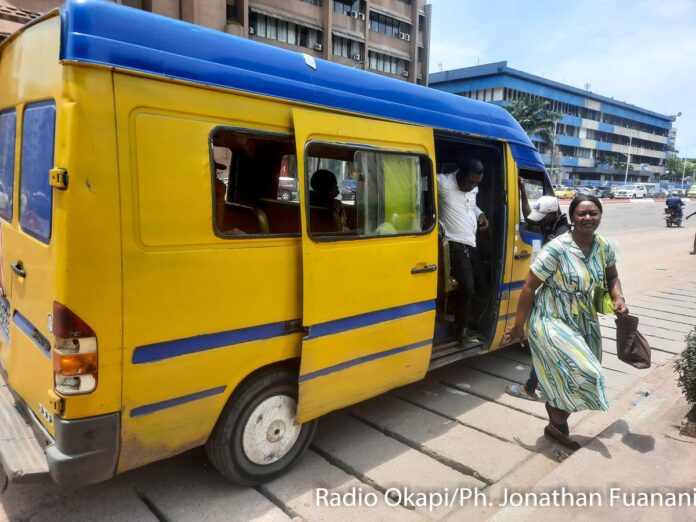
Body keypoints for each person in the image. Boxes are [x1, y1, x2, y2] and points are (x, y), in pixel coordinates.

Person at [504, 195, 629, 450]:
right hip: (551, 317)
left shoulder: (604, 246)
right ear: (572, 217)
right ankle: (556, 421)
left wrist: (619, 297)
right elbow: (528, 287)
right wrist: (519, 326)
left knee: (571, 377)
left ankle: (556, 427)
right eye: (581, 213)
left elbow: (612, 275)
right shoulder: (557, 248)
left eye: (593, 213)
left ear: (600, 216)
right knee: (586, 370)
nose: (587, 218)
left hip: (585, 320)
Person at [506, 191, 570, 401]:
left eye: (542, 218)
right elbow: (529, 214)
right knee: (551, 343)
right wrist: (522, 192)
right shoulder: (552, 225)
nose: (538, 223)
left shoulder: (559, 238)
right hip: (556, 295)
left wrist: (518, 325)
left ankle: (530, 388)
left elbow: (530, 285)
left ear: (553, 215)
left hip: (556, 299)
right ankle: (547, 383)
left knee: (543, 342)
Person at [437, 159, 489, 341]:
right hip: (452, 242)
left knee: (482, 285)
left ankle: (472, 321)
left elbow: (472, 205)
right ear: (460, 172)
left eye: (476, 183)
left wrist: (480, 214)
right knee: (467, 286)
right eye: (468, 181)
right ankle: (462, 329)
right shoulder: (442, 182)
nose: (471, 186)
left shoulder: (472, 187)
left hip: (470, 242)